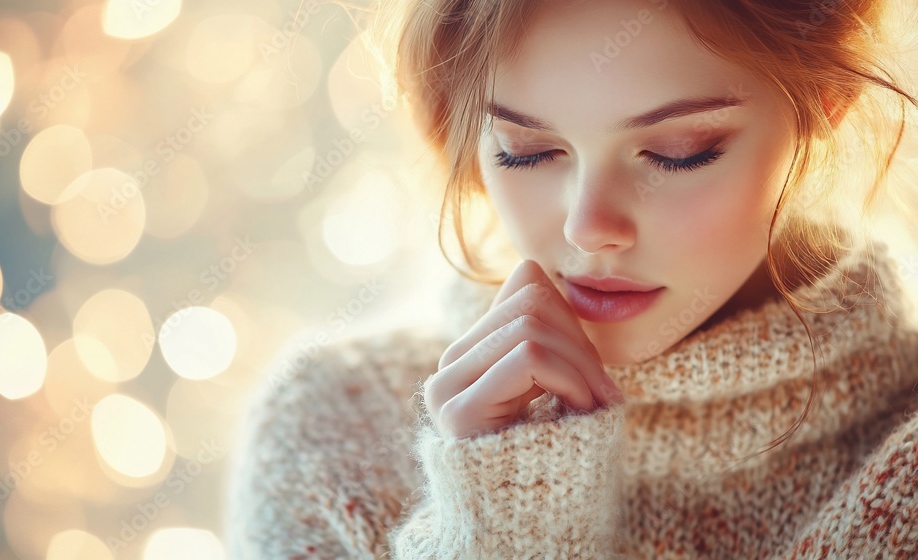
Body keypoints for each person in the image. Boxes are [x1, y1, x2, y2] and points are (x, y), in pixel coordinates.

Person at [226, 0, 918, 557]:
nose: (589, 227)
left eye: (678, 153)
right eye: (526, 152)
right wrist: (500, 532)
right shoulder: (329, 433)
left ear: (831, 99)